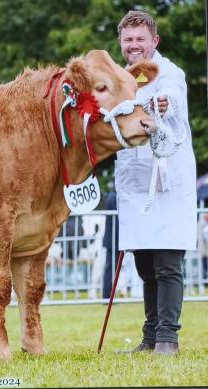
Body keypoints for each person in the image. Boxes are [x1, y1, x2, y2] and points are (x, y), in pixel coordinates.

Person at [115, 11, 197, 355]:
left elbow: (171, 95)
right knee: (145, 265)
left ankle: (168, 338)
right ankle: (150, 338)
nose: (134, 46)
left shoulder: (169, 73)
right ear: (121, 43)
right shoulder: (119, 78)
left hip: (167, 183)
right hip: (135, 184)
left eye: (140, 39)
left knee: (167, 263)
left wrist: (164, 103)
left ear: (154, 41)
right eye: (128, 40)